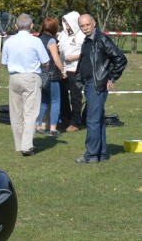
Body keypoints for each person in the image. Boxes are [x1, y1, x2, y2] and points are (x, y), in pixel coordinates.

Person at [75, 14, 127, 164]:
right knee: (98, 119)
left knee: (92, 119)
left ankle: (91, 154)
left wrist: (111, 77)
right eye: (82, 26)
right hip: (89, 83)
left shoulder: (102, 39)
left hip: (96, 84)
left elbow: (120, 58)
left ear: (94, 23)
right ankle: (101, 154)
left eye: (87, 25)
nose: (85, 28)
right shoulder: (88, 40)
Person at [1, 14, 49, 156]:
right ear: (32, 26)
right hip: (31, 77)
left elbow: (4, 63)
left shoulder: (9, 41)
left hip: (14, 77)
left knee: (16, 113)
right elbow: (45, 61)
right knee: (30, 113)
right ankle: (27, 146)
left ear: (16, 26)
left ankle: (19, 143)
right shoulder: (35, 41)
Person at [34, 17, 65, 136]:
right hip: (51, 74)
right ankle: (53, 129)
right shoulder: (51, 41)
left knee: (43, 101)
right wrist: (63, 71)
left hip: (40, 75)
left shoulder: (38, 39)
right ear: (54, 28)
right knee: (56, 101)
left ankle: (38, 125)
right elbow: (56, 59)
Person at [57, 11, 84, 132]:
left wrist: (75, 57)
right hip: (63, 70)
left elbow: (87, 53)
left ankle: (76, 122)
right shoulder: (62, 35)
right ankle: (65, 119)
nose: (65, 24)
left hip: (75, 70)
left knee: (75, 97)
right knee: (62, 96)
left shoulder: (82, 35)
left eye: (67, 21)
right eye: (64, 21)